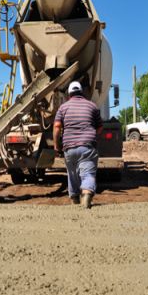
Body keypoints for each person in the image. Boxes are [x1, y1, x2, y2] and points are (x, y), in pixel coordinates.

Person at [53, 81, 103, 209]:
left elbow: (57, 127)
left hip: (69, 147)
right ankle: (86, 194)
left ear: (69, 94)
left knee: (72, 174)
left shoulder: (63, 108)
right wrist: (92, 138)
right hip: (87, 146)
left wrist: (56, 146)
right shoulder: (92, 106)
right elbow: (100, 127)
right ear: (82, 92)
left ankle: (75, 199)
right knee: (88, 174)